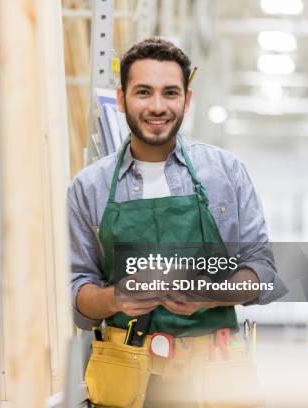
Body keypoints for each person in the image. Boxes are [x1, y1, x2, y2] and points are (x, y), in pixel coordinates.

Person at [68, 37, 287, 407]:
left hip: (217, 375)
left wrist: (209, 295)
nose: (157, 106)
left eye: (170, 93)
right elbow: (76, 295)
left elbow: (263, 272)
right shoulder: (89, 187)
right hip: (127, 380)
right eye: (143, 92)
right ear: (122, 100)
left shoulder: (227, 174)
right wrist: (116, 297)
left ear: (187, 99)